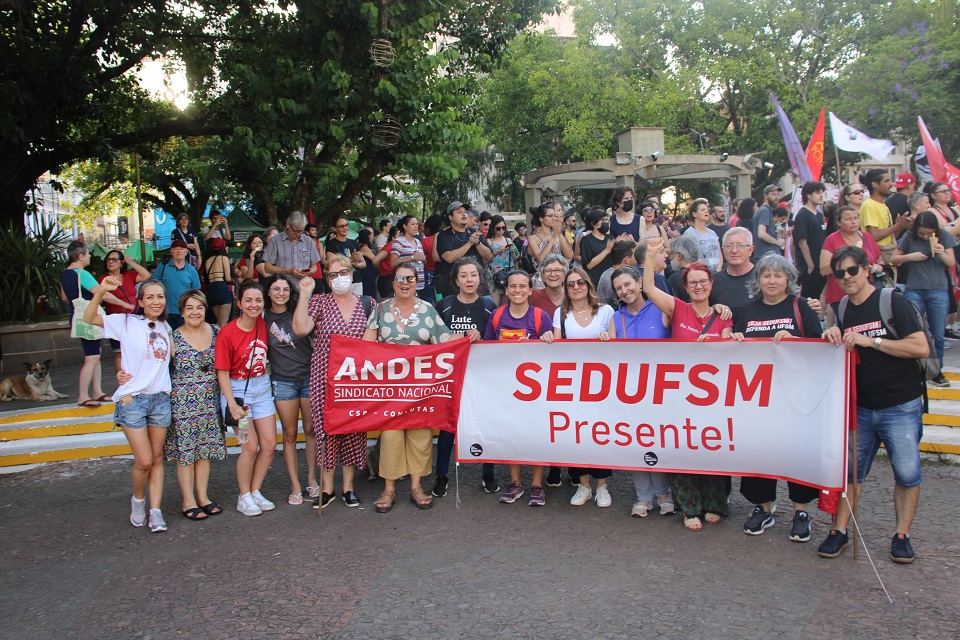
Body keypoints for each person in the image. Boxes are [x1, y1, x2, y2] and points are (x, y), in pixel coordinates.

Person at [820, 246, 929, 563]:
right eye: (840, 273)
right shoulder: (841, 307)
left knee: (907, 474)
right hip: (860, 408)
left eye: (852, 270)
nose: (846, 277)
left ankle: (902, 535)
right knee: (851, 474)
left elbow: (920, 347)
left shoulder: (892, 300)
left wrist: (874, 341)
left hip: (901, 405)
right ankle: (839, 530)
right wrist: (831, 333)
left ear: (867, 269)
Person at [641, 238, 733, 531]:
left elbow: (732, 352)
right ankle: (689, 506)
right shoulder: (678, 309)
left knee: (713, 447)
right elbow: (648, 288)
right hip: (680, 395)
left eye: (703, 281)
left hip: (714, 397)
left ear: (711, 284)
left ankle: (714, 503)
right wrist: (650, 256)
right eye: (692, 282)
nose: (698, 286)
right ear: (685, 286)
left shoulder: (723, 315)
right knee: (683, 448)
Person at [731, 253, 823, 541]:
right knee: (760, 451)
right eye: (766, 275)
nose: (772, 281)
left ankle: (800, 511)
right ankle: (763, 507)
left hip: (795, 396)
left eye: (778, 275)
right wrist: (735, 340)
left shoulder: (801, 307)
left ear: (788, 280)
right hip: (758, 397)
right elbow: (735, 349)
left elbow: (820, 347)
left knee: (798, 452)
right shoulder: (747, 311)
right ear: (758, 280)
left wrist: (797, 342)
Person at [362, 264, 456, 513]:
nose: (405, 283)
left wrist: (469, 336)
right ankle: (389, 489)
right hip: (390, 389)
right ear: (392, 283)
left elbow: (445, 341)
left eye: (410, 278)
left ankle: (416, 487)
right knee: (391, 436)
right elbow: (365, 347)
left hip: (420, 389)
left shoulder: (428, 310)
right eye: (400, 278)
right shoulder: (380, 310)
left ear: (417, 282)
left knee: (420, 435)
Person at [83, 277, 172, 533]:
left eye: (160, 296)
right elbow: (89, 318)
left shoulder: (166, 326)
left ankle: (156, 511)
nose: (156, 301)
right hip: (133, 401)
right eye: (150, 297)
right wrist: (101, 291)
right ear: (140, 302)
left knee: (157, 458)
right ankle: (138, 500)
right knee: (144, 460)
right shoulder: (125, 322)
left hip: (160, 400)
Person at [293, 255, 375, 512]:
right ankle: (327, 487)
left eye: (344, 272)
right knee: (326, 430)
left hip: (355, 380)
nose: (339, 278)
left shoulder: (368, 303)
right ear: (327, 280)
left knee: (353, 430)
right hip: (324, 379)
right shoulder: (319, 302)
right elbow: (300, 329)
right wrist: (304, 294)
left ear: (351, 274)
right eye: (333, 274)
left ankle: (348, 487)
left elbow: (376, 341)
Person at [606, 265, 674, 517]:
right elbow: (611, 356)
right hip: (629, 392)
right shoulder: (616, 319)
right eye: (619, 288)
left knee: (658, 441)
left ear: (639, 283)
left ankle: (664, 494)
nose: (624, 291)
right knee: (635, 442)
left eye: (628, 284)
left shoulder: (661, 309)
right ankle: (643, 496)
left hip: (660, 391)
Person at [484, 270, 554, 505]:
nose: (517, 291)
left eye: (523, 286)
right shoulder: (497, 315)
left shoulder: (541, 316)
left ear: (530, 290)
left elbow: (552, 354)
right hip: (505, 389)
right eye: (513, 286)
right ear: (506, 290)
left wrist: (539, 343)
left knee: (536, 436)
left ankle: (536, 485)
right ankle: (515, 483)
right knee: (510, 435)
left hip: (535, 391)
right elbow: (486, 350)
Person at [434, 258, 499, 496]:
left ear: (480, 279)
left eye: (473, 275)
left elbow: (495, 339)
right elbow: (435, 338)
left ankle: (488, 472)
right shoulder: (444, 305)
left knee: (485, 423)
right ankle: (441, 475)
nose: (469, 280)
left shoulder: (489, 304)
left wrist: (481, 337)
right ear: (456, 280)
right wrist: (457, 337)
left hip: (481, 374)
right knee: (447, 426)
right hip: (451, 374)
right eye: (464, 275)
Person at [553, 267, 615, 507]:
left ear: (588, 285)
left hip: (601, 383)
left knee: (600, 433)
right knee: (575, 433)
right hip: (573, 384)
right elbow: (558, 347)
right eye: (571, 284)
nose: (576, 287)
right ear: (566, 289)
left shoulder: (606, 311)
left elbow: (617, 345)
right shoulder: (560, 313)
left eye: (580, 282)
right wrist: (548, 339)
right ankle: (584, 485)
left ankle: (602, 486)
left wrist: (608, 340)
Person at [163, 290, 227, 520]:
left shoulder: (216, 332)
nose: (194, 312)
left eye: (199, 307)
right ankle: (188, 501)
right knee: (186, 454)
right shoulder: (172, 338)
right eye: (189, 308)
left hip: (209, 403)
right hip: (182, 405)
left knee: (204, 452)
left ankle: (203, 497)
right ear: (181, 311)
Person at [215, 280, 276, 517]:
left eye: (258, 300)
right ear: (239, 303)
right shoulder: (227, 333)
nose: (254, 305)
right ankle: (243, 496)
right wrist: (231, 404)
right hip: (237, 393)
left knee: (269, 444)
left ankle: (255, 490)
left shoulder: (263, 323)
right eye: (248, 300)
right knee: (249, 446)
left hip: (261, 388)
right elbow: (222, 372)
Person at [263, 274, 318, 506]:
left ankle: (312, 478)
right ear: (268, 291)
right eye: (276, 289)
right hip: (283, 381)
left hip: (308, 376)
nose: (281, 293)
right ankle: (295, 485)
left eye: (285, 289)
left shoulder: (299, 310)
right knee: (290, 434)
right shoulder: (262, 317)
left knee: (311, 430)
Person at [61, 240, 132, 406]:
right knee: (91, 357)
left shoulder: (65, 273)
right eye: (87, 254)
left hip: (76, 315)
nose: (89, 257)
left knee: (94, 354)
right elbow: (102, 294)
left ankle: (97, 391)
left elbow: (64, 297)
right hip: (88, 316)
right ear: (80, 256)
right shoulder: (82, 274)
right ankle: (82, 396)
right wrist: (123, 303)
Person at [890, 211, 956, 387]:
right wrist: (910, 257)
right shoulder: (909, 237)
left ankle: (936, 371)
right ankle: (915, 369)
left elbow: (951, 262)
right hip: (915, 288)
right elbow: (894, 258)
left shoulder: (944, 236)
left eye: (929, 233)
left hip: (938, 289)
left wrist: (941, 252)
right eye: (922, 233)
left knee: (938, 334)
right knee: (914, 332)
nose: (926, 236)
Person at [819, 205, 884, 317]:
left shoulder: (866, 237)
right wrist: (846, 258)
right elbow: (823, 270)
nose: (853, 222)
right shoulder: (831, 239)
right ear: (839, 222)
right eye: (848, 219)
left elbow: (880, 260)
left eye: (855, 218)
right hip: (842, 294)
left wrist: (879, 267)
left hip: (868, 291)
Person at [98, 250, 151, 371]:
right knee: (119, 352)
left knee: (138, 348)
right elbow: (102, 297)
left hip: (134, 318)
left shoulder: (128, 275)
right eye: (108, 259)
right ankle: (121, 378)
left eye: (114, 259)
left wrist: (130, 262)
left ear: (121, 263)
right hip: (115, 319)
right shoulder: (103, 279)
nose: (110, 262)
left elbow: (146, 275)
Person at [434, 201, 493, 296]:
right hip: (454, 289)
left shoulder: (475, 233)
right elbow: (449, 257)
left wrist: (477, 243)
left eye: (465, 212)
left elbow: (488, 256)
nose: (464, 214)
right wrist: (470, 243)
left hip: (479, 288)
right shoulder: (444, 236)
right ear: (450, 217)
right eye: (459, 212)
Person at [860, 169, 912, 267]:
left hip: (889, 260)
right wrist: (897, 226)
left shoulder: (883, 205)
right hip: (878, 262)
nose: (891, 184)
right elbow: (874, 236)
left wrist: (900, 226)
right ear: (875, 184)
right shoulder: (869, 205)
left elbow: (890, 237)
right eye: (887, 181)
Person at [262, 211, 325, 287]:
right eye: (295, 230)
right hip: (283, 288)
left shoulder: (308, 241)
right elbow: (267, 268)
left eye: (301, 231)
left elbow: (314, 267)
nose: (298, 234)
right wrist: (289, 271)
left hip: (304, 287)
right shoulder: (275, 240)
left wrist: (308, 272)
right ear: (287, 224)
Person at [152, 239, 201, 329]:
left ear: (186, 252)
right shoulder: (163, 266)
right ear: (171, 251)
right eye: (175, 249)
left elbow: (196, 291)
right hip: (165, 311)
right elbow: (153, 284)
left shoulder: (191, 270)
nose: (179, 251)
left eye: (182, 249)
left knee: (184, 336)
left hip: (185, 311)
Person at [794, 181, 828, 300]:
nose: (821, 195)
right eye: (817, 192)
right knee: (808, 299)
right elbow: (802, 242)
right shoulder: (803, 214)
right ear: (808, 195)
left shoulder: (819, 215)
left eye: (822, 192)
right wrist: (810, 265)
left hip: (821, 265)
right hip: (809, 268)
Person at [710, 228, 757, 312]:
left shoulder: (762, 278)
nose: (734, 251)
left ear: (751, 250)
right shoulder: (714, 282)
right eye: (729, 246)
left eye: (740, 245)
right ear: (723, 250)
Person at [528, 202, 573, 288]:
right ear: (541, 219)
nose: (553, 219)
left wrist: (558, 234)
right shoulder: (533, 238)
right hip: (541, 281)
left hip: (558, 278)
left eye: (554, 216)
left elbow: (569, 255)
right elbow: (541, 258)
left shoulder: (558, 236)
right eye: (550, 216)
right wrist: (552, 238)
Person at [578, 208, 619, 286]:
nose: (606, 223)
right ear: (593, 224)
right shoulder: (586, 240)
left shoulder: (610, 238)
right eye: (602, 220)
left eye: (607, 220)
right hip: (594, 282)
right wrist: (606, 251)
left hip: (609, 280)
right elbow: (589, 265)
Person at [390, 215, 427, 299]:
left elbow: (422, 261)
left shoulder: (418, 241)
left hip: (420, 284)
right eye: (413, 224)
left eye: (416, 224)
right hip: (406, 284)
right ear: (405, 226)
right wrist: (412, 258)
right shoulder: (399, 242)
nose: (416, 226)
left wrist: (423, 259)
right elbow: (393, 263)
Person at [484, 214, 518, 306]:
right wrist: (496, 252)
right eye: (498, 228)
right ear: (493, 228)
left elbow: (514, 260)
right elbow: (485, 260)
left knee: (505, 306)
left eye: (503, 228)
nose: (501, 230)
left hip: (508, 274)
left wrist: (512, 252)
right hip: (494, 275)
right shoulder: (489, 241)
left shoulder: (508, 240)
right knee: (494, 305)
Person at [201, 237, 233, 327]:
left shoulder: (208, 260)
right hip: (222, 288)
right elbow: (228, 278)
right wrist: (234, 280)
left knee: (218, 323)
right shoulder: (223, 258)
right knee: (224, 324)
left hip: (211, 290)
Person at [683, 198, 723, 271]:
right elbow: (689, 257)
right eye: (702, 210)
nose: (706, 211)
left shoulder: (712, 233)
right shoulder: (689, 234)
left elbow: (720, 254)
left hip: (717, 272)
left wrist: (718, 269)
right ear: (694, 214)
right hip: (700, 272)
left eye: (707, 210)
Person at [596, 240, 638, 308]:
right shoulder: (613, 278)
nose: (637, 259)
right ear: (627, 259)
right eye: (635, 256)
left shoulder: (607, 274)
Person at [529, 253, 568, 319]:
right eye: (548, 271)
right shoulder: (533, 296)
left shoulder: (572, 297)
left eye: (558, 270)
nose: (553, 274)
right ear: (543, 276)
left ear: (565, 275)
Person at [753, 185, 785, 257]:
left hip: (766, 254)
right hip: (768, 255)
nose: (776, 197)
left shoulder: (764, 210)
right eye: (773, 194)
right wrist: (777, 242)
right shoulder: (765, 211)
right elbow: (761, 234)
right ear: (766, 196)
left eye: (777, 194)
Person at [666, 236, 699, 303]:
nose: (669, 258)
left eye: (671, 253)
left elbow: (672, 305)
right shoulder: (710, 273)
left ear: (679, 256)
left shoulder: (675, 279)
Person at [373, 226, 400, 299]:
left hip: (393, 277)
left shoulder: (396, 247)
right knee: (387, 302)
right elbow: (375, 261)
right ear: (393, 237)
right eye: (399, 235)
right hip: (386, 279)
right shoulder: (389, 247)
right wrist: (381, 269)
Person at [421, 215, 442, 302]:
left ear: (428, 229)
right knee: (441, 298)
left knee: (427, 298)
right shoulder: (444, 239)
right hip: (441, 273)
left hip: (428, 273)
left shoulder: (424, 242)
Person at [356, 228, 380, 298]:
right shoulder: (364, 248)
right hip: (368, 273)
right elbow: (374, 259)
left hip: (366, 272)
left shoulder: (361, 246)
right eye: (370, 235)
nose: (372, 236)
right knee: (369, 292)